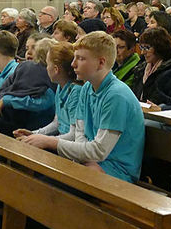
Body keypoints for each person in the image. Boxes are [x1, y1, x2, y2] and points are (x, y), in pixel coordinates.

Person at [21, 31, 145, 183]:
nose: (73, 64)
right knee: (35, 177)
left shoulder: (116, 95)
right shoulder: (87, 88)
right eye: (75, 58)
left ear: (101, 62)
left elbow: (99, 150)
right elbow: (80, 133)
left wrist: (50, 142)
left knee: (48, 187)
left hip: (116, 171)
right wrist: (82, 158)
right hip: (91, 161)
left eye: (80, 58)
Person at [13, 41, 81, 139]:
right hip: (60, 141)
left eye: (48, 64)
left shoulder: (76, 92)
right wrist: (34, 134)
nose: (46, 68)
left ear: (56, 69)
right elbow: (57, 123)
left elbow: (74, 135)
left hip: (68, 146)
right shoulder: (60, 87)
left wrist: (43, 140)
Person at [130, 27, 171, 102]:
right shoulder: (140, 69)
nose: (142, 52)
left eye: (147, 48)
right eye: (141, 47)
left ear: (159, 47)